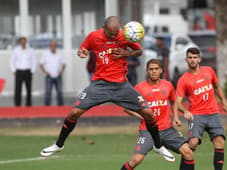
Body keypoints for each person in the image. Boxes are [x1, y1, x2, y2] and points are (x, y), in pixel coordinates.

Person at [40, 16, 173, 162]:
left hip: (121, 86)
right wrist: (82, 52)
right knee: (74, 112)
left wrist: (127, 53)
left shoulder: (124, 35)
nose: (113, 36)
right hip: (99, 84)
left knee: (148, 114)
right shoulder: (94, 36)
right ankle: (59, 144)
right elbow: (83, 49)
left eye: (115, 33)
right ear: (104, 27)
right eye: (110, 33)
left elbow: (138, 52)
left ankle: (158, 145)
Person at [120, 59, 195, 170]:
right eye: (151, 69)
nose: (153, 71)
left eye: (156, 69)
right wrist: (138, 114)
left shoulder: (168, 85)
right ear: (147, 71)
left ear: (161, 70)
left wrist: (175, 117)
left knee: (188, 153)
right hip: (148, 131)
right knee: (136, 160)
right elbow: (125, 107)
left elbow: (174, 101)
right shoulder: (139, 88)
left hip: (167, 130)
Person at [174, 47, 227, 170]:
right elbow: (178, 102)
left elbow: (217, 87)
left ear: (199, 59)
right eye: (190, 58)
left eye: (195, 57)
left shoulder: (209, 71)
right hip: (196, 115)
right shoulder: (183, 80)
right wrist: (185, 111)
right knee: (193, 143)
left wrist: (223, 101)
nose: (192, 60)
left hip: (213, 113)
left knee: (220, 141)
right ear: (186, 60)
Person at [10, 37, 36, 106]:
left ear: (26, 42)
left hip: (28, 71)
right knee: (18, 89)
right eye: (22, 42)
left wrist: (32, 70)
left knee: (29, 89)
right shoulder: (16, 50)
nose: (23, 43)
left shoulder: (31, 50)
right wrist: (13, 70)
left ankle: (28, 104)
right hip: (19, 71)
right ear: (20, 42)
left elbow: (34, 61)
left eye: (24, 42)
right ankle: (17, 104)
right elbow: (12, 61)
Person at [40, 41, 66, 106]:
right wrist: (45, 72)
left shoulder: (60, 53)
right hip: (49, 76)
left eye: (54, 46)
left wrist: (61, 71)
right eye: (51, 46)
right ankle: (47, 106)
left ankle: (61, 106)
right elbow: (41, 64)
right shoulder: (45, 54)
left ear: (56, 46)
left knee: (59, 92)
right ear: (50, 46)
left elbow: (64, 63)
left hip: (58, 76)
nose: (53, 47)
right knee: (48, 92)